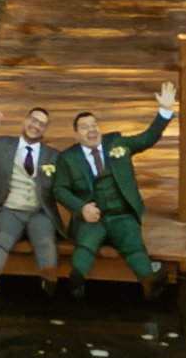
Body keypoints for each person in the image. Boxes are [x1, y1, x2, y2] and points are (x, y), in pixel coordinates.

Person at [52, 82, 178, 300]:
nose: (91, 130)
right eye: (84, 127)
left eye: (94, 125)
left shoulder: (116, 143)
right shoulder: (68, 158)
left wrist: (164, 111)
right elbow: (59, 189)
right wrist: (81, 208)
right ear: (76, 134)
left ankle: (148, 281)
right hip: (92, 218)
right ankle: (76, 283)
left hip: (122, 214)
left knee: (133, 246)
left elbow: (147, 138)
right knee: (85, 246)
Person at [0, 104, 64, 295]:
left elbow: (68, 180)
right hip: (10, 209)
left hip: (38, 211)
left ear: (45, 130)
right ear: (25, 121)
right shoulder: (3, 145)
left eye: (41, 124)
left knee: (45, 240)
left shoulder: (53, 156)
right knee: (1, 239)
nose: (35, 126)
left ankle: (49, 274)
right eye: (33, 120)